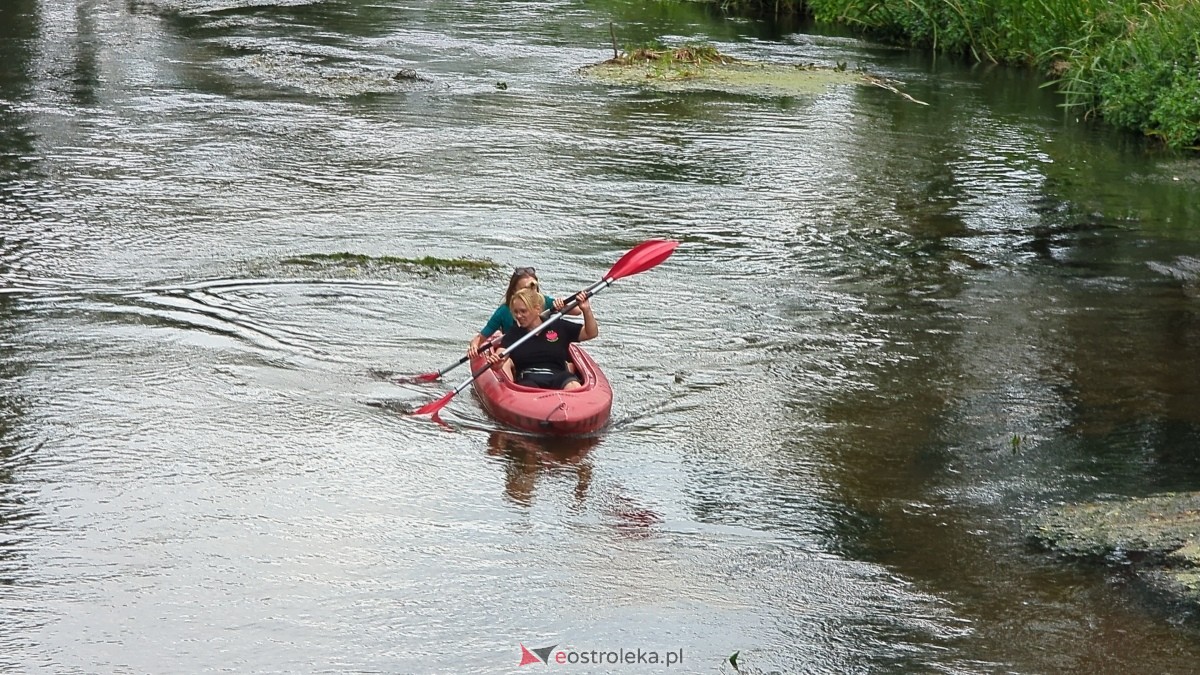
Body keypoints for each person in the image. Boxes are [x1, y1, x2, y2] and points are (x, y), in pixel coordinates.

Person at [486, 287, 597, 390]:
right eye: (516, 312)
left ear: (537, 309)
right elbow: (501, 355)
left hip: (559, 376)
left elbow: (590, 333)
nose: (519, 316)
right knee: (529, 391)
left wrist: (586, 310)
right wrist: (497, 361)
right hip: (529, 378)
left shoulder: (557, 325)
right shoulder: (514, 333)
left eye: (523, 311)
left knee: (573, 385)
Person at [466, 266, 573, 358]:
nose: (529, 294)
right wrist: (474, 346)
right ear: (514, 291)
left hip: (544, 351)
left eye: (532, 289)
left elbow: (576, 311)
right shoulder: (504, 311)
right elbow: (480, 338)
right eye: (524, 290)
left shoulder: (544, 302)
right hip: (517, 355)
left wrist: (562, 305)